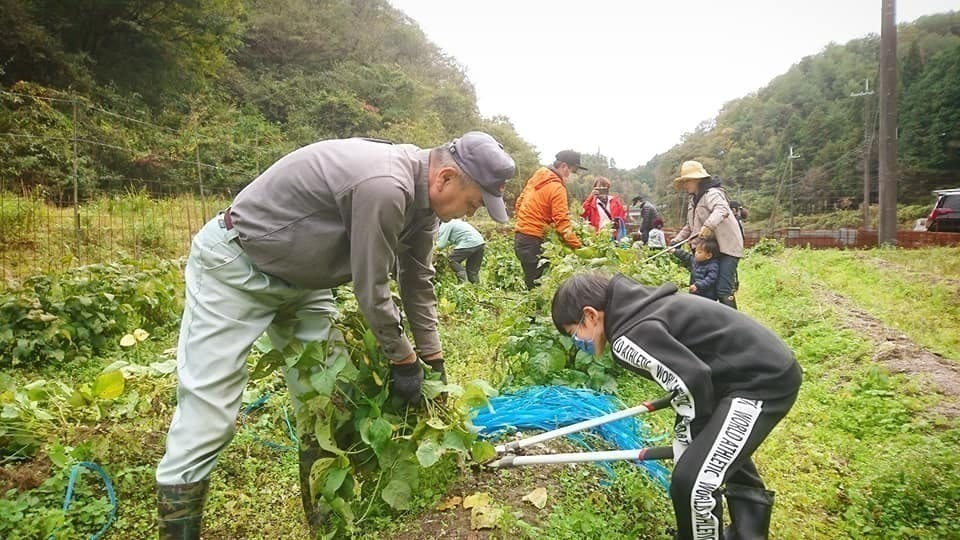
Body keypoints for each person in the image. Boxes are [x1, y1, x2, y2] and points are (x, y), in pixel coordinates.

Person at [155, 131, 516, 539]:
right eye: (473, 204)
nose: (468, 215)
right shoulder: (385, 185)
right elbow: (372, 288)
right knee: (210, 415)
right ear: (446, 179)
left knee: (329, 401)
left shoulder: (425, 208)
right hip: (237, 267)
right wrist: (403, 358)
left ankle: (326, 527)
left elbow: (416, 280)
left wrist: (433, 359)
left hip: (305, 285)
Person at [551, 272, 801, 540]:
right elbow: (691, 381)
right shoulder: (640, 307)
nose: (577, 340)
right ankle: (747, 534)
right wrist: (692, 435)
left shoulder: (627, 339)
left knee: (691, 482)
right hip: (747, 371)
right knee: (715, 456)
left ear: (590, 315)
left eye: (573, 332)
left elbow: (691, 382)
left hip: (761, 382)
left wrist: (688, 438)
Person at [670, 161, 744, 309]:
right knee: (702, 288)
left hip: (727, 247)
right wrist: (676, 240)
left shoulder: (713, 194)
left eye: (688, 181)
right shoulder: (693, 200)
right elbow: (690, 226)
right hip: (709, 249)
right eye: (684, 181)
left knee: (723, 289)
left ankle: (733, 325)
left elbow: (722, 209)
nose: (685, 185)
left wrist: (709, 225)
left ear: (698, 180)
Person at [513, 149, 585, 289]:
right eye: (573, 171)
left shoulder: (537, 178)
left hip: (521, 238)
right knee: (539, 284)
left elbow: (519, 203)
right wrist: (578, 247)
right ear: (564, 166)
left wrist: (527, 222)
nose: (571, 176)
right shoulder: (557, 188)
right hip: (534, 241)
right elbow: (562, 224)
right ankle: (536, 310)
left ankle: (532, 308)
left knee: (532, 280)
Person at [437, 218, 486, 283]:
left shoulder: (445, 224)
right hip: (480, 243)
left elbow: (440, 245)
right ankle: (476, 289)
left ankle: (462, 281)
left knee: (452, 259)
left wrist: (433, 249)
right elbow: (453, 238)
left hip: (469, 241)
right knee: (472, 271)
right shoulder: (455, 221)